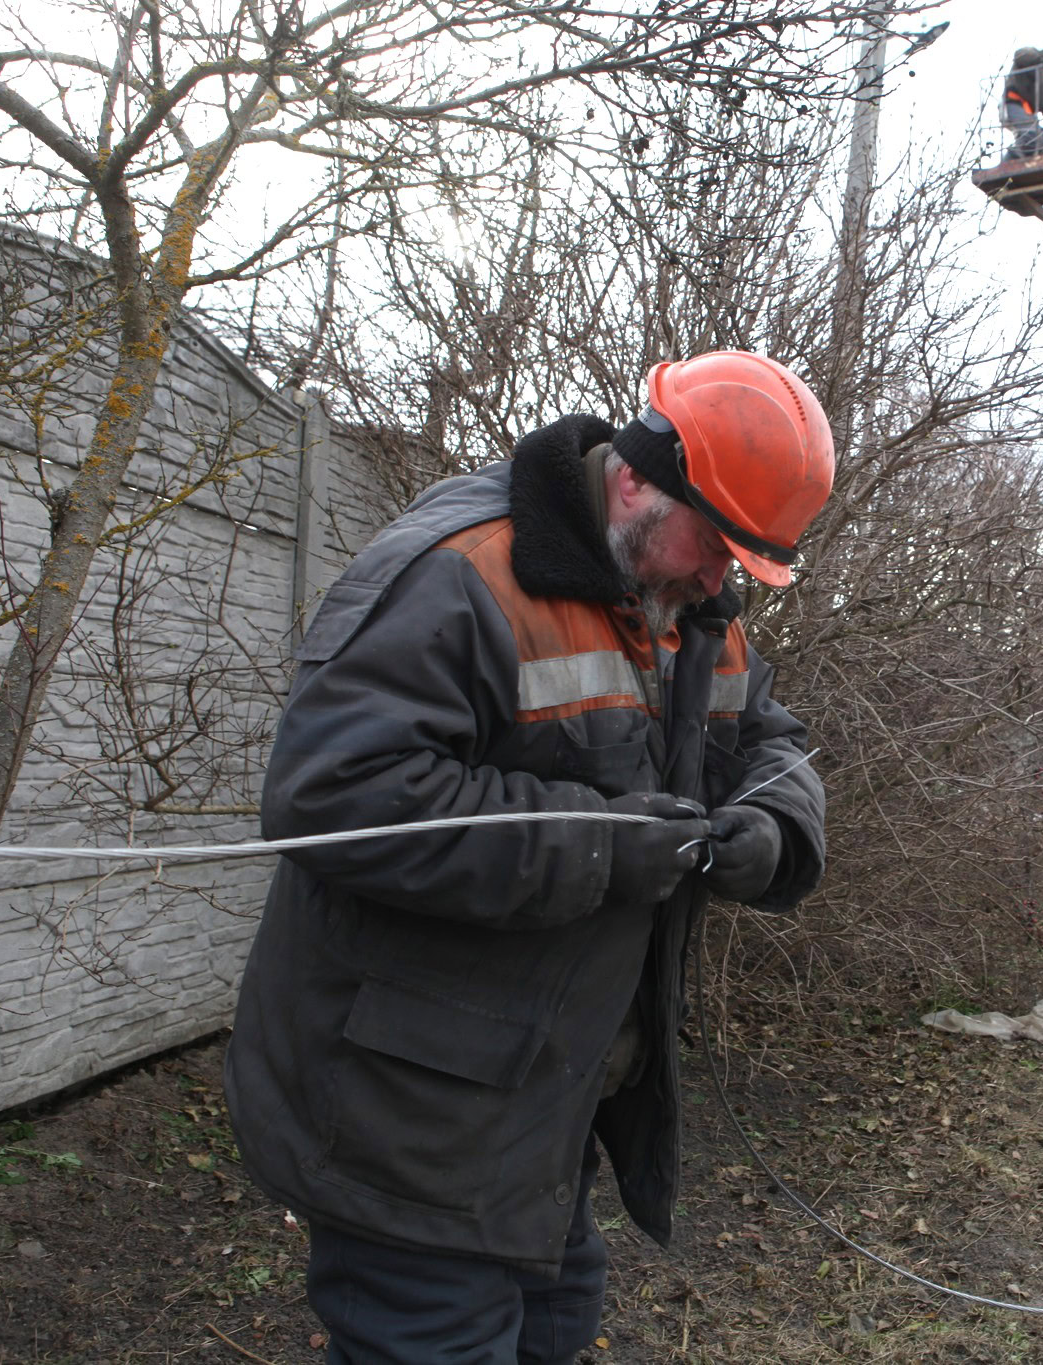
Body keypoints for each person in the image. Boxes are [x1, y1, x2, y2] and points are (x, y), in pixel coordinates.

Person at [224, 351, 833, 1364]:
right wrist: (603, 846)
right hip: (410, 1122)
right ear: (635, 477)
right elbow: (332, 795)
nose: (720, 575)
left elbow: (771, 746)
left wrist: (774, 830)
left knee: (555, 1330)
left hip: (541, 1118)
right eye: (714, 540)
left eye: (743, 557)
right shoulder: (462, 572)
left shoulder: (695, 611)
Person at [1002, 33, 1043, 160]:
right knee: (1029, 139)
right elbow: (1019, 55)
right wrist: (1042, 59)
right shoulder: (1031, 54)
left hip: (1030, 115)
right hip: (1014, 104)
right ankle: (1005, 165)